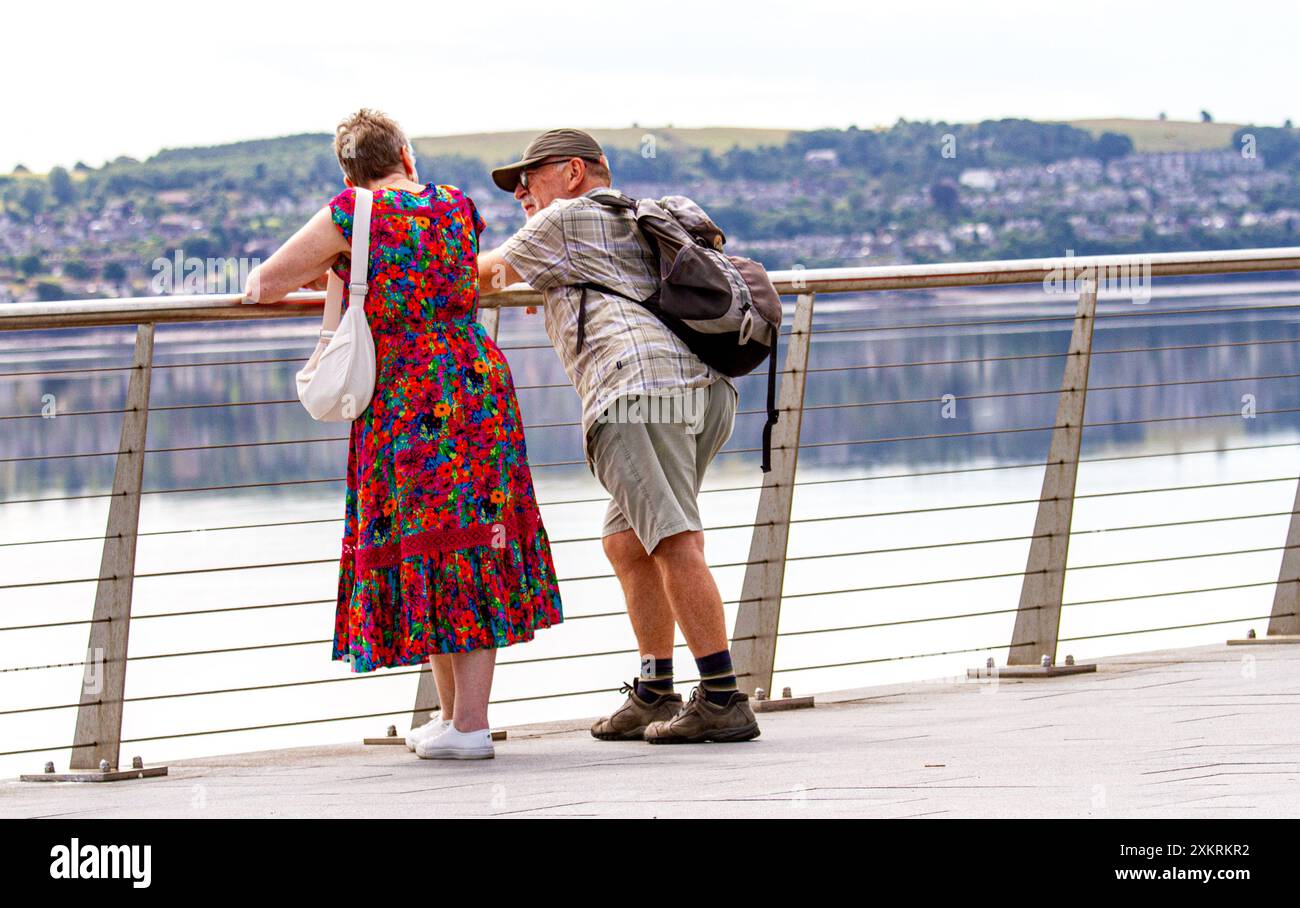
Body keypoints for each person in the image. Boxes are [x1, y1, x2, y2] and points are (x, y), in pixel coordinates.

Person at [243, 110, 563, 760]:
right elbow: (443, 270)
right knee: (468, 538)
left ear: (348, 169)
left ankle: (469, 726)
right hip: (473, 382)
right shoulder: (456, 206)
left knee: (428, 543)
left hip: (407, 398)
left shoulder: (347, 213)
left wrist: (333, 267)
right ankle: (455, 719)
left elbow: (264, 284)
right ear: (406, 157)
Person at [477, 129, 759, 744]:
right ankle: (657, 692)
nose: (521, 191)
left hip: (638, 393)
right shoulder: (630, 215)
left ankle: (723, 698)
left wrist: (367, 281)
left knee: (672, 541)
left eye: (531, 177)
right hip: (704, 390)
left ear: (574, 172)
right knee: (628, 544)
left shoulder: (568, 216)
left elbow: (480, 276)